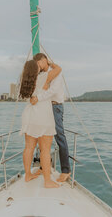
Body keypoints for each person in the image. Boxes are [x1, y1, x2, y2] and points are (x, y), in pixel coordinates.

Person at [19, 59, 62, 188]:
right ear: (36, 68)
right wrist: (49, 62)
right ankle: (47, 181)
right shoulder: (43, 77)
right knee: (45, 150)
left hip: (29, 116)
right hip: (43, 116)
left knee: (29, 147)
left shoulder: (24, 82)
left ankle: (27, 175)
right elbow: (58, 69)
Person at [30, 53, 71, 182]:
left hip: (56, 107)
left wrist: (38, 98)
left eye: (38, 64)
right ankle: (44, 166)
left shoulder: (56, 73)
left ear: (43, 61)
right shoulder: (43, 75)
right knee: (43, 137)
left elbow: (53, 91)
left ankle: (66, 170)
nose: (38, 67)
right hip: (46, 107)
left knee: (59, 136)